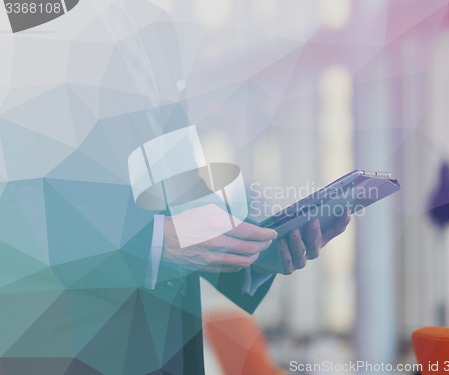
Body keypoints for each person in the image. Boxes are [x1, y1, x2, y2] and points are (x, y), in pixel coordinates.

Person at [0, 1, 350, 374]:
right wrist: (151, 241)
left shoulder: (150, 24)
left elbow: (173, 188)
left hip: (165, 351)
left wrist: (251, 248)